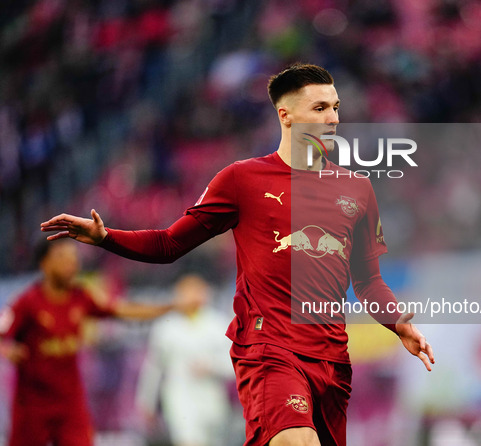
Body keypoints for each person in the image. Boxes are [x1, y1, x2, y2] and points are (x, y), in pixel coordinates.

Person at [40, 63, 435, 446]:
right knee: (298, 441)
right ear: (287, 115)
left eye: (335, 107)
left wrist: (397, 323)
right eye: (319, 108)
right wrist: (107, 236)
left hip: (332, 358)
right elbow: (169, 245)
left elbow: (368, 280)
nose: (332, 118)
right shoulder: (241, 180)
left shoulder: (357, 189)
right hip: (270, 349)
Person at [0, 238, 185, 446]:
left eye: (74, 257)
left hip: (70, 404)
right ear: (44, 264)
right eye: (62, 256)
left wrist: (171, 306)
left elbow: (124, 309)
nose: (71, 262)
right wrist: (6, 349)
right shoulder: (26, 303)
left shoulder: (81, 297)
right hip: (33, 406)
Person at [135, 274, 233, 446]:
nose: (191, 297)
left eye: (196, 291)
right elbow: (154, 368)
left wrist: (212, 367)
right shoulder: (166, 328)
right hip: (179, 397)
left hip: (212, 399)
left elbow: (234, 366)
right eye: (185, 293)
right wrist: (146, 402)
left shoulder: (218, 325)